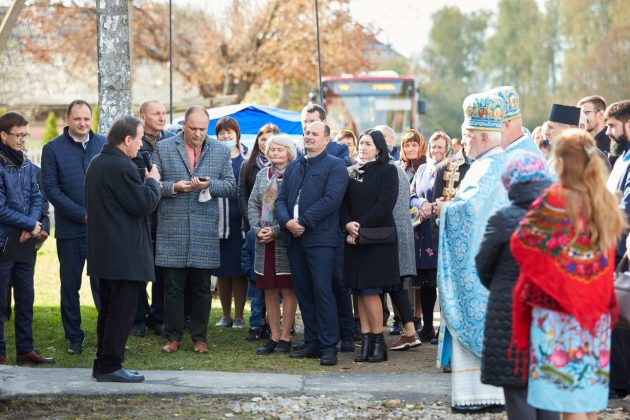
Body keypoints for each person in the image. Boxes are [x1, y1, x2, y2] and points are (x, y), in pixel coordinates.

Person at [510, 129, 625, 417]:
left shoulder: (555, 200)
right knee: (588, 396)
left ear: (561, 162)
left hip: (557, 313)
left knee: (566, 402)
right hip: (595, 310)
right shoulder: (606, 202)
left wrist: (553, 266)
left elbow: (522, 242)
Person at [435, 93, 508, 413]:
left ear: (481, 136)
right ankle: (475, 395)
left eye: (466, 136)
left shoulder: (492, 165)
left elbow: (473, 212)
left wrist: (446, 210)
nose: (462, 142)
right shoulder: (487, 164)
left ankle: (483, 396)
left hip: (482, 267)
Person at [475, 152, 557, 420]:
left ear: (510, 183)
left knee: (518, 387)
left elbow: (483, 266)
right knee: (548, 385)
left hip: (510, 310)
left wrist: (503, 286)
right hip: (554, 313)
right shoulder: (562, 218)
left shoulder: (503, 219)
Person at [153, 106, 236, 354]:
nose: (198, 133)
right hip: (172, 227)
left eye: (202, 129)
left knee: (202, 287)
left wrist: (210, 186)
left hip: (203, 229)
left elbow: (231, 186)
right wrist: (175, 187)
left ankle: (200, 337)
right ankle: (174, 336)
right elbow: (152, 185)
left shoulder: (221, 150)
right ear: (184, 125)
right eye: (193, 128)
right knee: (173, 287)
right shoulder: (164, 147)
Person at [86, 115, 161, 383]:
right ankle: (110, 366)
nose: (140, 146)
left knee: (108, 310)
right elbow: (143, 204)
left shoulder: (99, 162)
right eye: (139, 139)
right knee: (121, 312)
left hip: (106, 252)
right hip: (124, 254)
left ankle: (103, 363)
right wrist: (152, 181)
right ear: (127, 139)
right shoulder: (120, 167)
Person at [275, 121, 348, 366]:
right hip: (294, 238)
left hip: (321, 239)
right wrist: (287, 222)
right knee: (304, 291)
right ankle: (312, 341)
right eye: (307, 133)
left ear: (326, 139)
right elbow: (281, 200)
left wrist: (302, 221)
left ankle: (329, 346)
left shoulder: (336, 166)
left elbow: (331, 200)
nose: (309, 137)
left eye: (315, 134)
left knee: (322, 290)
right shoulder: (295, 166)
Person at [41, 99, 105, 356]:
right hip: (70, 231)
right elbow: (52, 190)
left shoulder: (103, 145)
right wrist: (82, 215)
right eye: (77, 119)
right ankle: (74, 338)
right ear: (67, 118)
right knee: (70, 286)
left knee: (104, 285)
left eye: (87, 119)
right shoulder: (52, 149)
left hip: (101, 231)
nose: (82, 124)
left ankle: (108, 338)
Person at [341, 129, 400, 363]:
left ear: (379, 147)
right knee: (359, 291)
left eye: (368, 143)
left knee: (371, 291)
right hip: (353, 238)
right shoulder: (352, 172)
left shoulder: (388, 171)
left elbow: (385, 205)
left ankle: (378, 341)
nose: (363, 147)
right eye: (361, 143)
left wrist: (360, 227)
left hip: (376, 240)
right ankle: (365, 341)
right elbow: (343, 203)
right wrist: (347, 224)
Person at [0, 111, 52, 366]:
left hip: (24, 243)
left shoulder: (27, 165)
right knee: (1, 301)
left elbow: (37, 197)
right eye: (18, 135)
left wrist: (32, 226)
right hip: (3, 242)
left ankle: (25, 349)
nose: (23, 140)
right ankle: (0, 353)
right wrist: (30, 223)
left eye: (25, 135)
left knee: (25, 298)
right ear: (3, 135)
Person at [248, 135, 298, 355]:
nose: (276, 153)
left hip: (285, 241)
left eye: (280, 149)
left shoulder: (295, 174)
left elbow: (296, 207)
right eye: (272, 150)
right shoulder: (261, 174)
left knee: (287, 289)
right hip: (263, 241)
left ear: (289, 152)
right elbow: (252, 204)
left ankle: (286, 337)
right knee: (269, 289)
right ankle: (274, 336)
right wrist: (257, 229)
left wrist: (277, 231)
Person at [129, 100, 175, 338]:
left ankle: (158, 317)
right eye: (156, 113)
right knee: (138, 271)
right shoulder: (134, 141)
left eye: (163, 112)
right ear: (143, 116)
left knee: (162, 272)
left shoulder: (171, 139)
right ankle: (138, 318)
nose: (161, 117)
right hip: (141, 216)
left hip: (165, 215)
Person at [238, 123, 279, 340]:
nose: (266, 144)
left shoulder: (288, 169)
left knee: (278, 280)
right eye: (262, 139)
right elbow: (244, 197)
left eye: (271, 140)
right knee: (257, 279)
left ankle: (277, 325)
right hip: (255, 229)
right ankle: (257, 323)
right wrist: (253, 226)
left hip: (279, 231)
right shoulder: (249, 165)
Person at [410, 131, 451, 344]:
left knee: (442, 283)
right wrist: (421, 205)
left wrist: (435, 206)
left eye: (440, 147)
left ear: (447, 149)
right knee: (425, 284)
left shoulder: (452, 169)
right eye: (434, 147)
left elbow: (454, 195)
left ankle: (443, 329)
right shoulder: (423, 169)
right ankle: (426, 327)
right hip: (422, 232)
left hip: (440, 232)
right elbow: (412, 193)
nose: (436, 151)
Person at [603, 100, 630, 400]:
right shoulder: (622, 157)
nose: (608, 132)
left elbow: (627, 208)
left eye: (612, 126)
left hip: (623, 251)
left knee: (622, 315)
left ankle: (621, 383)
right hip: (610, 247)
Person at [214, 116, 248, 330]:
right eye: (222, 133)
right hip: (218, 223)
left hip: (240, 223)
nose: (226, 136)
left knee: (239, 271)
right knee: (222, 271)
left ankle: (239, 316)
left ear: (237, 134)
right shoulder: (213, 156)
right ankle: (225, 315)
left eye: (230, 132)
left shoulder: (246, 158)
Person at [486, 86, 541, 157]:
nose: (490, 134)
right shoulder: (526, 149)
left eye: (492, 127)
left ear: (506, 123)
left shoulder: (521, 157)